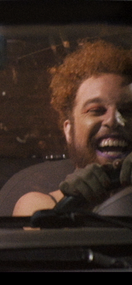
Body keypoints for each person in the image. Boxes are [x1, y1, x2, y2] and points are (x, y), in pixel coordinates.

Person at [13, 40, 132, 216]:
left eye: (128, 110)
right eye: (96, 110)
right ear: (69, 130)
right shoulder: (40, 205)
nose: (113, 121)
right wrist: (78, 204)